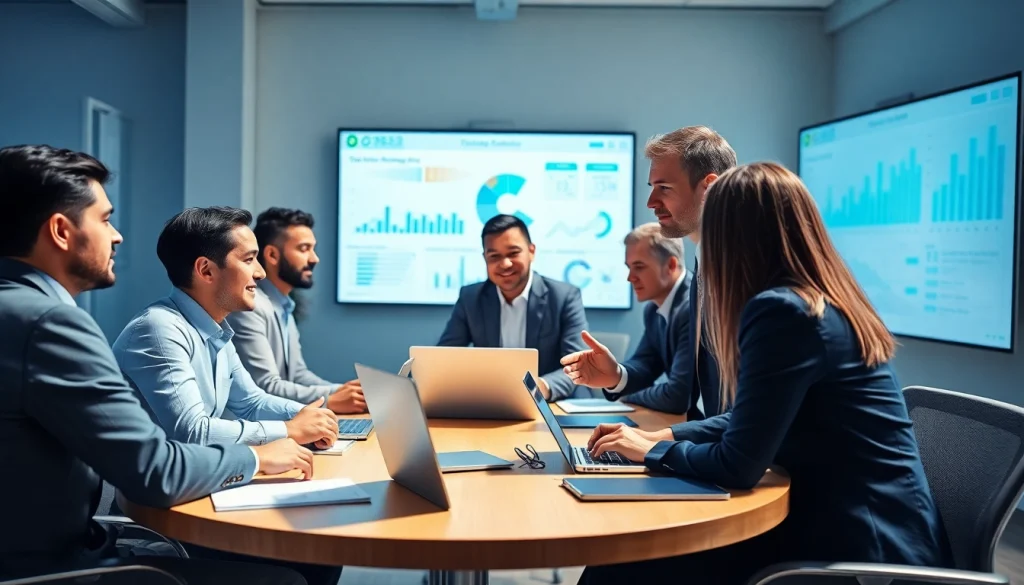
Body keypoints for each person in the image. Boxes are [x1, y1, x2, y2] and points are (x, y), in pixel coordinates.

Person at [564, 162, 951, 584]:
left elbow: (737, 465)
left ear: (735, 237)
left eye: (712, 234)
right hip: (855, 523)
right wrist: (663, 436)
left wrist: (650, 453)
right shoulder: (814, 301)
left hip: (860, 549)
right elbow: (751, 417)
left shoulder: (783, 313)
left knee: (625, 560)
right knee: (629, 556)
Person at [0, 144, 313, 584]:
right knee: (289, 579)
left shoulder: (18, 311)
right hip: (55, 568)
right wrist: (257, 457)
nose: (117, 236)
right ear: (61, 231)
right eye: (104, 219)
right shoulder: (49, 323)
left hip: (49, 550)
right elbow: (156, 470)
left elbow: (248, 400)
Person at [113, 207, 339, 449]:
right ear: (206, 270)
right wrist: (289, 429)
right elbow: (193, 432)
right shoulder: (159, 329)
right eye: (249, 260)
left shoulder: (216, 330)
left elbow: (252, 402)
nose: (261, 273)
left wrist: (310, 416)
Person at [437, 214, 589, 400]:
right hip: (495, 403)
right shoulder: (471, 298)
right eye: (494, 256)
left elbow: (577, 366)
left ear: (531, 252)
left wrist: (539, 388)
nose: (505, 264)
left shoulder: (564, 296)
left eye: (513, 253)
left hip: (555, 404)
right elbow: (442, 358)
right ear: (485, 258)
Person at [228, 207, 365, 414]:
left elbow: (297, 374)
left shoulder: (283, 305)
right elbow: (265, 386)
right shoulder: (251, 307)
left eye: (313, 249)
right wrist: (330, 400)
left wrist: (344, 391)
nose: (314, 258)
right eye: (303, 249)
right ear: (272, 255)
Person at [587, 222, 692, 413]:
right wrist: (615, 375)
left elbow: (678, 395)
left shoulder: (691, 308)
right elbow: (645, 364)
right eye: (629, 267)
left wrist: (627, 398)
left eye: (639, 267)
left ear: (671, 265)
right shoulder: (653, 310)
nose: (630, 277)